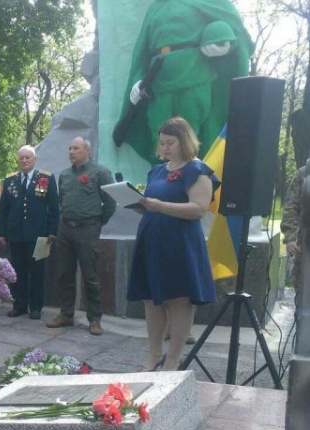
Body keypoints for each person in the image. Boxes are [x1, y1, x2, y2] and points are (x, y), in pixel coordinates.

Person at [127, 117, 217, 371]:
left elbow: (198, 209)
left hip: (180, 245)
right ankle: (154, 355)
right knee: (151, 299)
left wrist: (159, 206)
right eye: (162, 142)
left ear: (184, 141)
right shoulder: (157, 170)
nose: (165, 147)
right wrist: (142, 206)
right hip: (151, 242)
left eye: (171, 142)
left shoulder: (198, 170)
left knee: (179, 300)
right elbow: (152, 204)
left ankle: (173, 359)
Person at [116, 0, 252, 164]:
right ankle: (160, 183)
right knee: (158, 137)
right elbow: (142, 53)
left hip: (194, 75)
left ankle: (190, 182)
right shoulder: (155, 7)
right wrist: (138, 80)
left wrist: (224, 43)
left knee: (189, 136)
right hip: (157, 80)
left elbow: (235, 30)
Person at [46, 137, 116, 335]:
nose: (71, 152)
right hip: (65, 229)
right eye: (69, 148)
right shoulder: (65, 174)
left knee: (91, 275)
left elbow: (110, 204)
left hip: (88, 229)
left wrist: (97, 223)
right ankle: (66, 314)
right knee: (64, 273)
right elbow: (62, 201)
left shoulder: (100, 172)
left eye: (75, 148)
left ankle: (94, 319)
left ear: (87, 150)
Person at [0, 145, 59, 320]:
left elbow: (54, 207)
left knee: (37, 273)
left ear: (34, 159)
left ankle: (36, 307)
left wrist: (52, 231)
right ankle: (20, 305)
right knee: (17, 272)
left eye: (28, 158)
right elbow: (4, 209)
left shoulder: (45, 178)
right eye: (21, 158)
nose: (24, 160)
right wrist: (1, 232)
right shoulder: (10, 180)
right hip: (16, 235)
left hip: (38, 235)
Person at [280, 158, 310, 289]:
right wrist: (291, 237)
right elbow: (292, 207)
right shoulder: (303, 174)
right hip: (306, 243)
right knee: (303, 291)